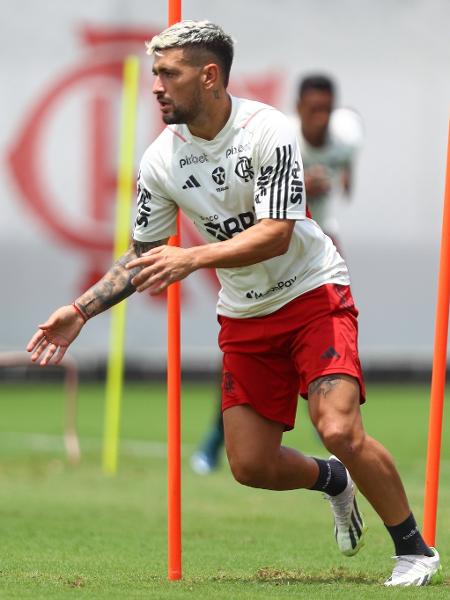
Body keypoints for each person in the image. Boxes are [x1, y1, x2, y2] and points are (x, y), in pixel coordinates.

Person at [27, 20, 441, 587]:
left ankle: (414, 550)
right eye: (154, 74)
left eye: (168, 73)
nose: (156, 86)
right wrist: (79, 311)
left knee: (338, 426)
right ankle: (333, 481)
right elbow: (143, 255)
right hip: (245, 313)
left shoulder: (266, 130)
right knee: (249, 465)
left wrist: (193, 259)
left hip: (312, 292)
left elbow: (275, 232)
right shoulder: (160, 161)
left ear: (210, 75)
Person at [294, 74, 362, 253]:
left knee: (339, 277)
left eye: (327, 109)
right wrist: (298, 189)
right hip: (285, 236)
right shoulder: (281, 140)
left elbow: (353, 118)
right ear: (299, 108)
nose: (321, 118)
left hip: (322, 230)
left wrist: (348, 170)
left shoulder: (346, 136)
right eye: (314, 110)